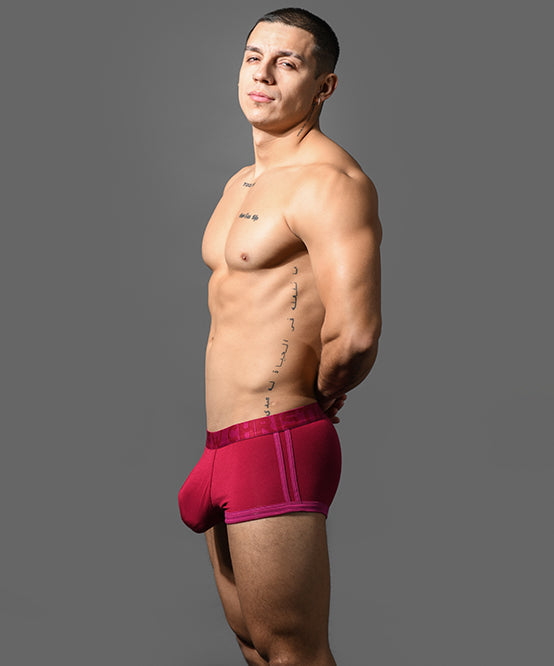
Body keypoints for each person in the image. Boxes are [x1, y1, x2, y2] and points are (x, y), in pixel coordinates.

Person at [178, 7, 382, 665]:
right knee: (256, 649)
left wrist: (319, 394)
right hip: (220, 444)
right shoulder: (242, 182)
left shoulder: (330, 183)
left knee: (293, 652)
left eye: (287, 63)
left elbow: (356, 334)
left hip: (276, 440)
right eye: (252, 58)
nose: (262, 75)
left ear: (324, 86)